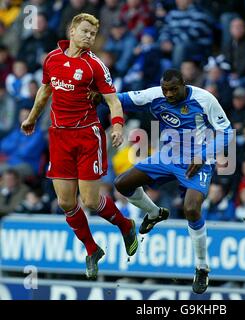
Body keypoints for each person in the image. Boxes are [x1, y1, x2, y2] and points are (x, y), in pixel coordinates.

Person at [20, 14, 137, 280]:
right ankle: (92, 249)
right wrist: (31, 117)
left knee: (91, 201)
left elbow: (113, 101)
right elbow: (45, 89)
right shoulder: (52, 59)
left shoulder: (94, 65)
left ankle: (125, 224)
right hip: (59, 136)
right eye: (84, 31)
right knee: (65, 201)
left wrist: (117, 126)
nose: (89, 37)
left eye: (93, 34)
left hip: (87, 136)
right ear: (71, 31)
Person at [106, 69, 233, 294]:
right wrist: (96, 94)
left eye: (173, 89)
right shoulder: (155, 94)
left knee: (191, 209)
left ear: (184, 84)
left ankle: (202, 266)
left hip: (198, 160)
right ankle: (155, 213)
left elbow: (226, 133)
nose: (169, 94)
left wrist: (204, 155)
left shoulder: (205, 99)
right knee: (122, 183)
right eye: (165, 90)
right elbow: (119, 99)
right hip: (168, 155)